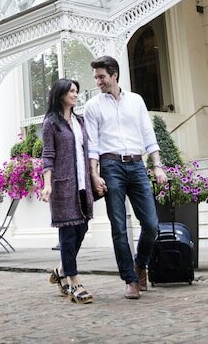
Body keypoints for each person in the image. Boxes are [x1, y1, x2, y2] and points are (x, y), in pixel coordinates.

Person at [84, 55, 168, 300]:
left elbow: (148, 134)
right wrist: (94, 174)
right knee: (119, 227)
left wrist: (157, 165)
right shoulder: (92, 106)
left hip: (137, 165)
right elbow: (92, 145)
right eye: (96, 77)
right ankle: (130, 279)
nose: (98, 81)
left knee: (151, 225)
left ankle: (140, 264)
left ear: (115, 75)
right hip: (111, 167)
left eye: (101, 77)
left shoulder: (136, 100)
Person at [40, 78, 95, 304]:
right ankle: (74, 282)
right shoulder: (51, 123)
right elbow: (47, 155)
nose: (75, 94)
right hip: (63, 186)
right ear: (61, 94)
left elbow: (88, 150)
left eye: (76, 91)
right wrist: (47, 184)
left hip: (83, 184)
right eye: (71, 91)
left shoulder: (80, 121)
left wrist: (95, 176)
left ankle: (61, 269)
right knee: (68, 234)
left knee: (82, 228)